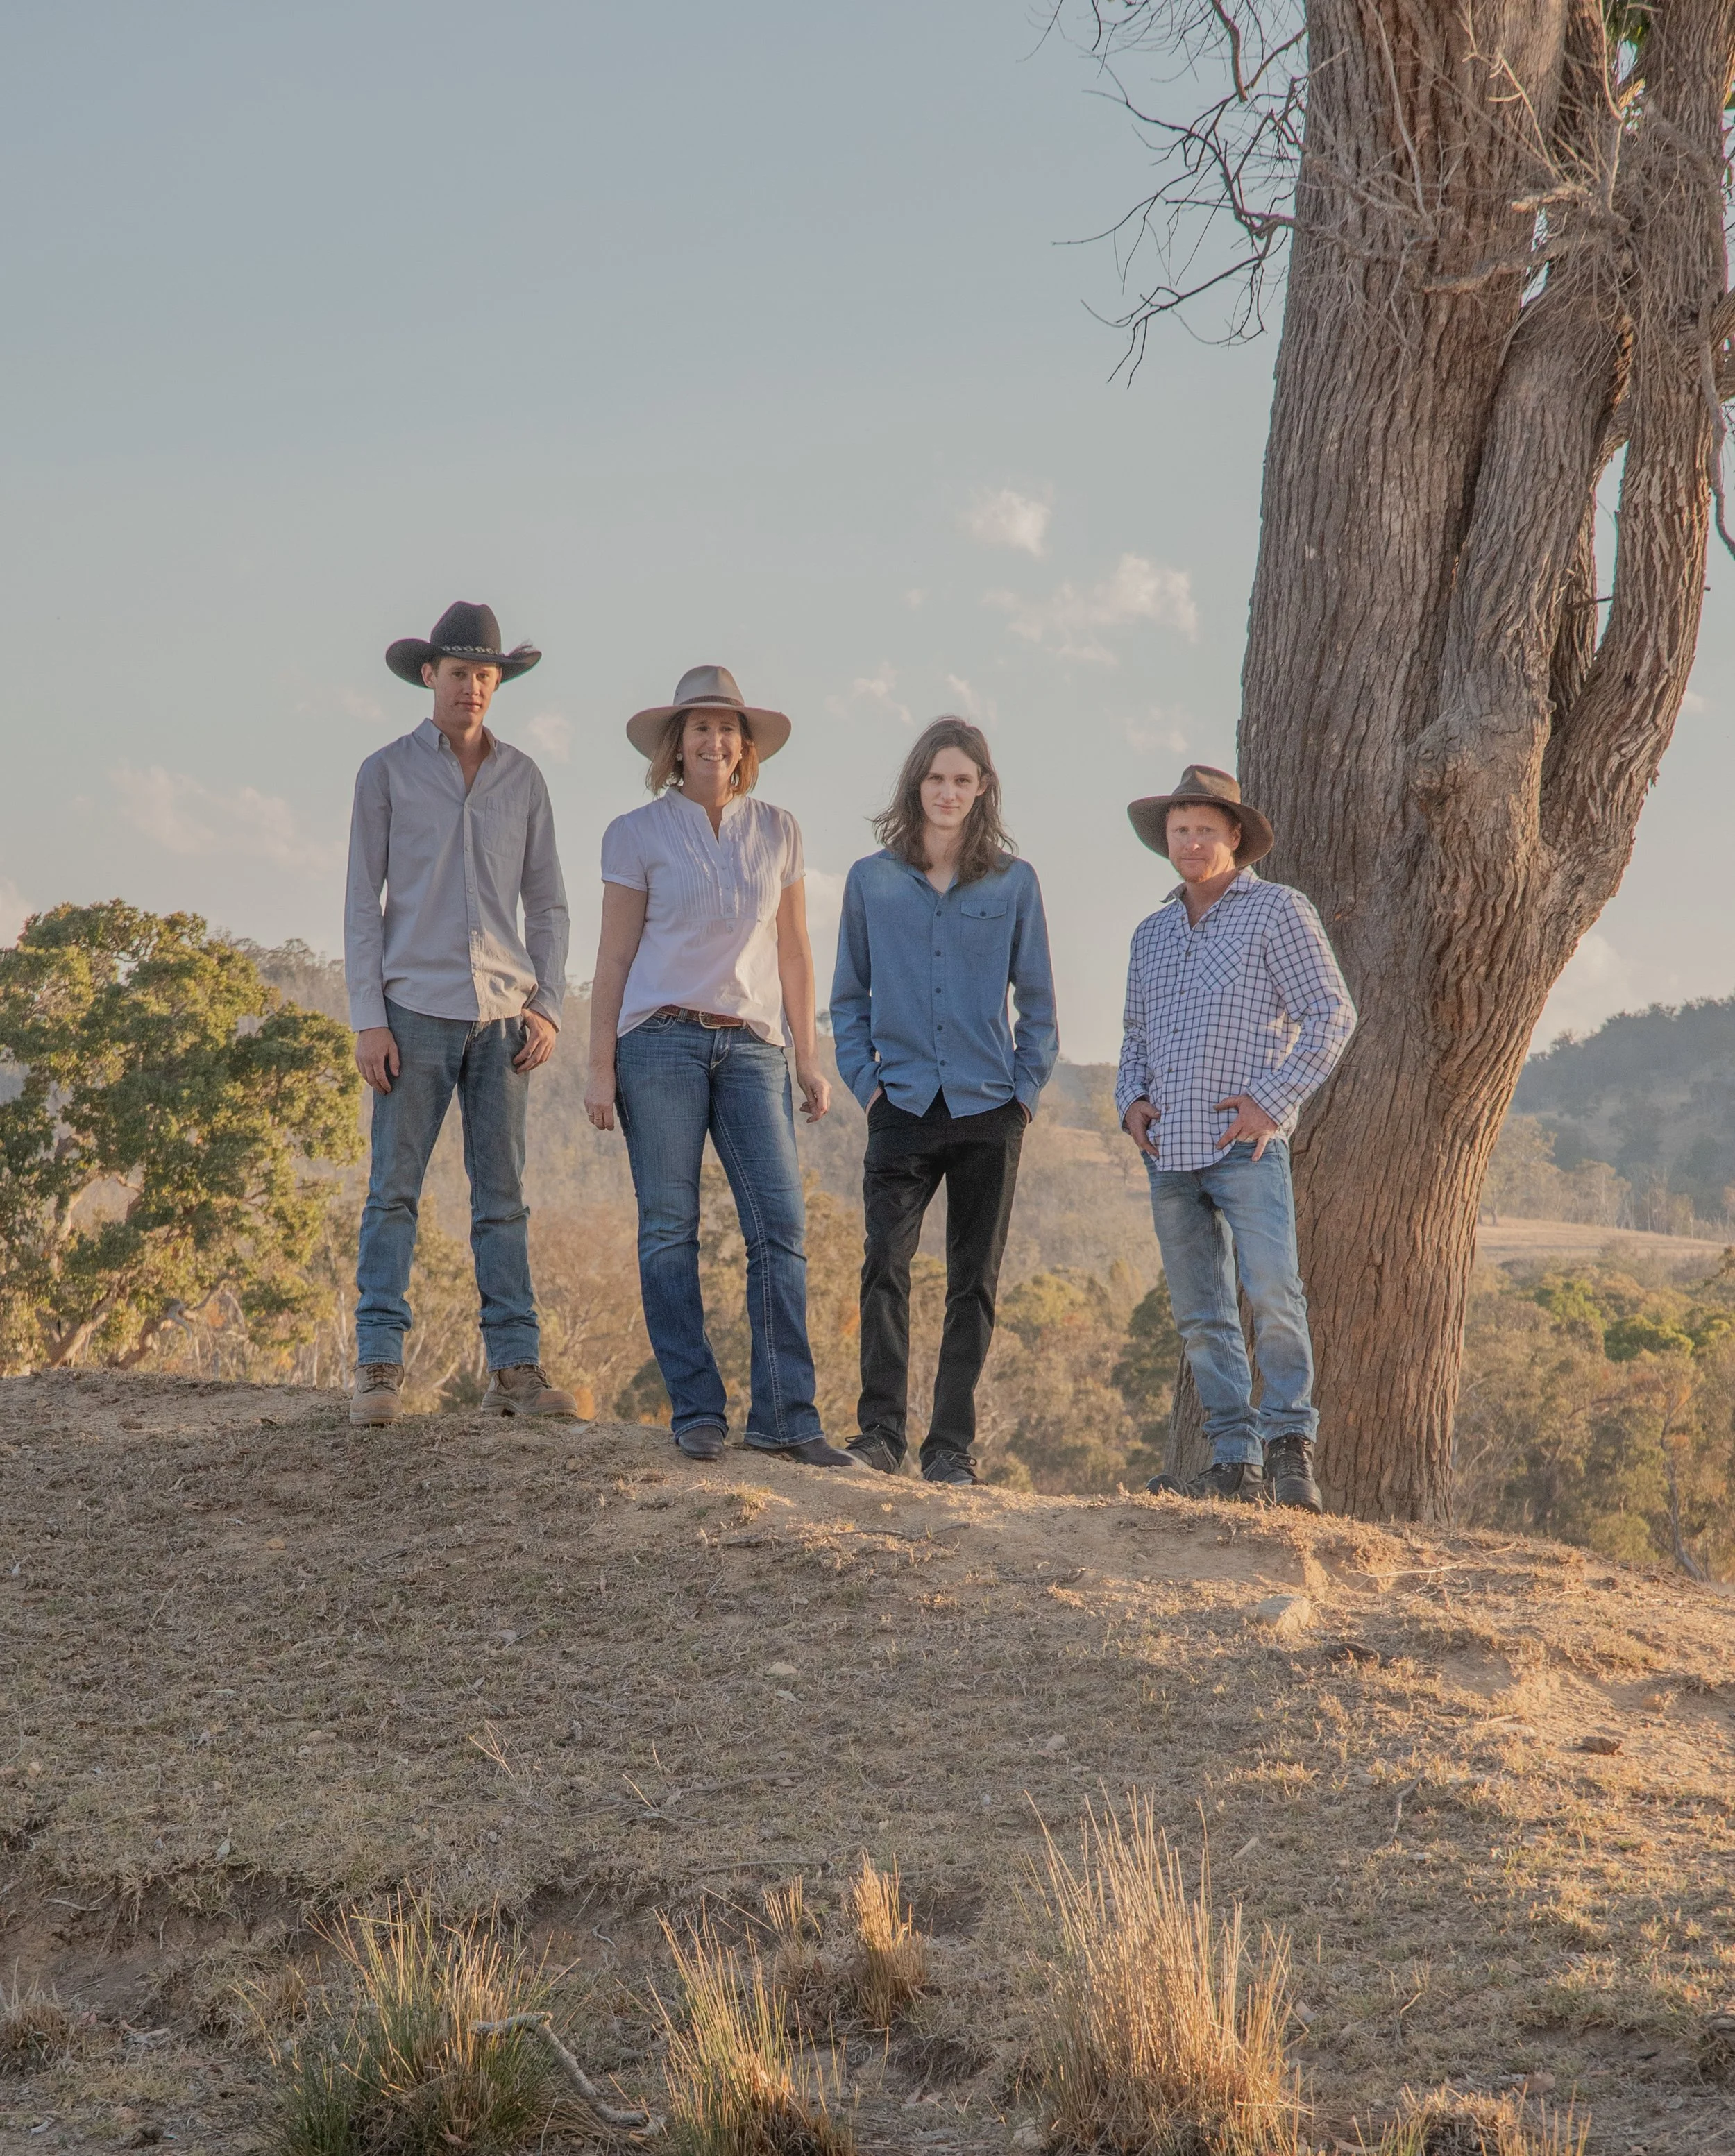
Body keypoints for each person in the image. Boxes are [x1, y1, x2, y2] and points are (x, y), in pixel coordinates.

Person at [584, 665, 856, 1468]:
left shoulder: (780, 830)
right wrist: (599, 1068)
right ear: (675, 746)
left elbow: (796, 950)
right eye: (698, 728)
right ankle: (696, 1410)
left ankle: (785, 1417)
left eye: (726, 729)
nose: (713, 741)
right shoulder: (633, 833)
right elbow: (614, 955)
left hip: (751, 1047)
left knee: (780, 1228)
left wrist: (809, 1057)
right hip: (658, 1041)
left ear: (745, 747)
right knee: (670, 1228)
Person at [344, 600, 579, 1426]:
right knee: (394, 1193)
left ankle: (514, 1371)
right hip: (412, 1011)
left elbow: (548, 903)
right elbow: (362, 905)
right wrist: (368, 1016)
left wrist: (546, 1004)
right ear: (428, 675)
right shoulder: (386, 772)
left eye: (486, 675)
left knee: (503, 1197)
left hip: (502, 1019)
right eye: (459, 672)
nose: (473, 686)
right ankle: (378, 1367)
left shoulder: (524, 778)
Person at [1116, 764, 1355, 1511]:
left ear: (1235, 838)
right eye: (1179, 829)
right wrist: (1131, 1102)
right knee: (1200, 1312)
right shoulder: (1150, 933)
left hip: (1244, 1147)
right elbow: (1133, 1034)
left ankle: (1290, 1450)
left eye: (1204, 830)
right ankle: (1232, 1457)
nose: (1189, 841)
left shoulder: (1277, 911)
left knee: (1273, 1293)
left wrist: (1271, 1101)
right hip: (1170, 1153)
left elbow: (1330, 1014)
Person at [831, 718, 1058, 1486]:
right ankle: (881, 1436)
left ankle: (948, 1448)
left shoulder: (1014, 881)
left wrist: (1023, 1093)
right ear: (915, 784)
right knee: (884, 1267)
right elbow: (847, 996)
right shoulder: (870, 880)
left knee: (974, 1281)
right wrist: (868, 1086)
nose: (948, 792)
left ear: (982, 788)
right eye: (936, 778)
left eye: (963, 779)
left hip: (988, 1107)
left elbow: (1039, 1003)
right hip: (899, 1103)